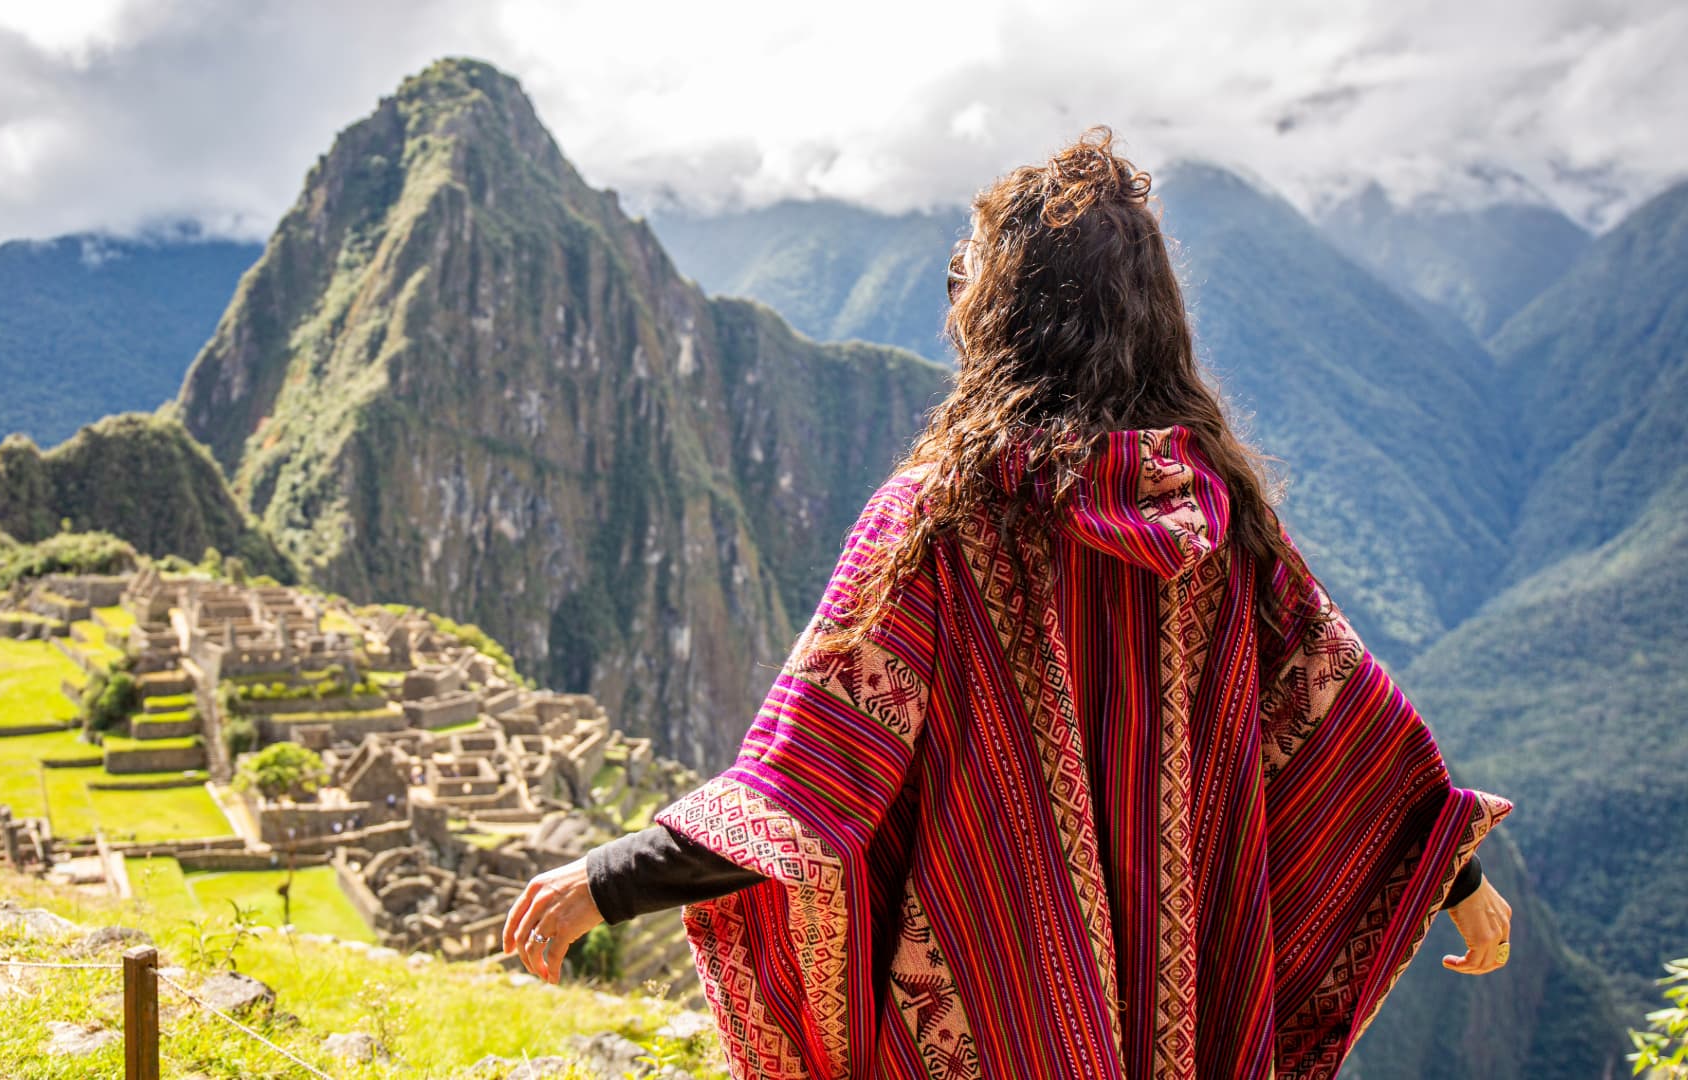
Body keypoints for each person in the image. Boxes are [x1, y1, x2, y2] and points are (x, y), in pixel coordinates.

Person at [502, 126, 1514, 1080]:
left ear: (1001, 314)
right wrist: (1458, 882)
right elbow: (1353, 736)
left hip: (993, 1011)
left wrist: (613, 879)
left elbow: (812, 773)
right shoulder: (1223, 521)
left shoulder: (942, 518)